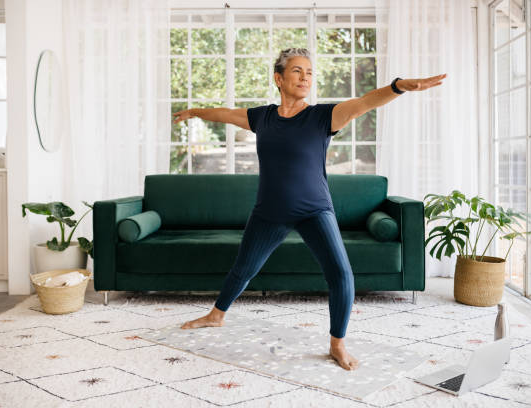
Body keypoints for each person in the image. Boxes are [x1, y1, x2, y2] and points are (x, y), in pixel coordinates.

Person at [172, 48, 446, 371]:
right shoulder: (262, 117)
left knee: (341, 274)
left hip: (314, 209)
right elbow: (226, 114)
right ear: (279, 78)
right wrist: (195, 112)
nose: (305, 78)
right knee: (243, 268)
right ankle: (217, 315)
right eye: (298, 71)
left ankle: (337, 344)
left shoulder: (322, 117)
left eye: (310, 73)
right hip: (269, 211)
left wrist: (398, 86)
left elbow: (365, 102)